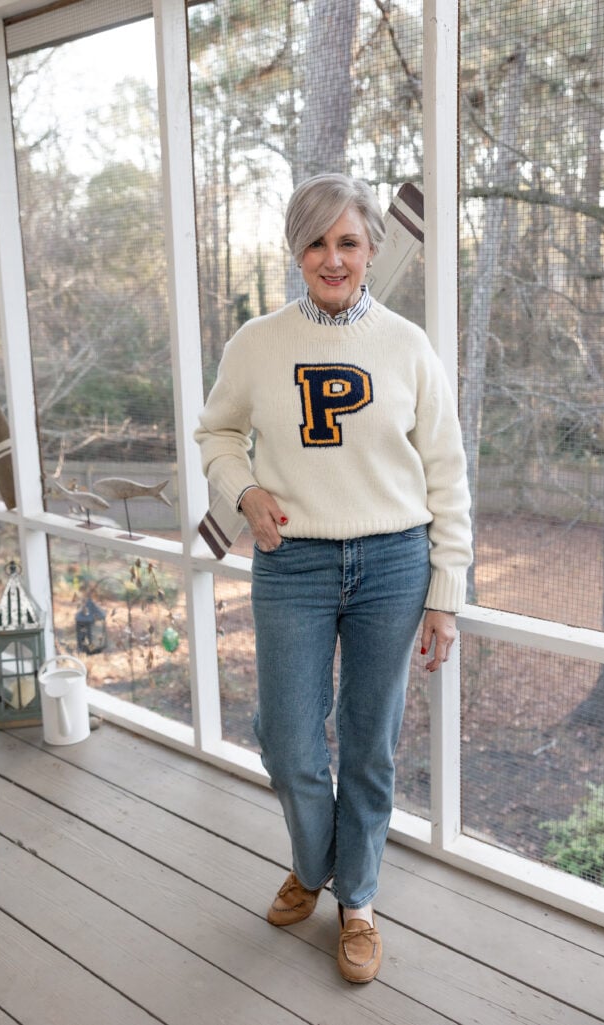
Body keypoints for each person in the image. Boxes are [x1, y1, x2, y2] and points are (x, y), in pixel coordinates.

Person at [195, 173, 472, 984]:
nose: (332, 258)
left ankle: (357, 900)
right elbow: (216, 434)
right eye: (315, 242)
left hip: (393, 563)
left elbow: (447, 473)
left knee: (369, 743)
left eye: (347, 241)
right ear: (296, 251)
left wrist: (445, 591)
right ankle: (314, 863)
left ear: (371, 249)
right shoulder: (256, 344)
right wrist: (242, 490)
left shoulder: (408, 347)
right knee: (287, 742)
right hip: (293, 562)